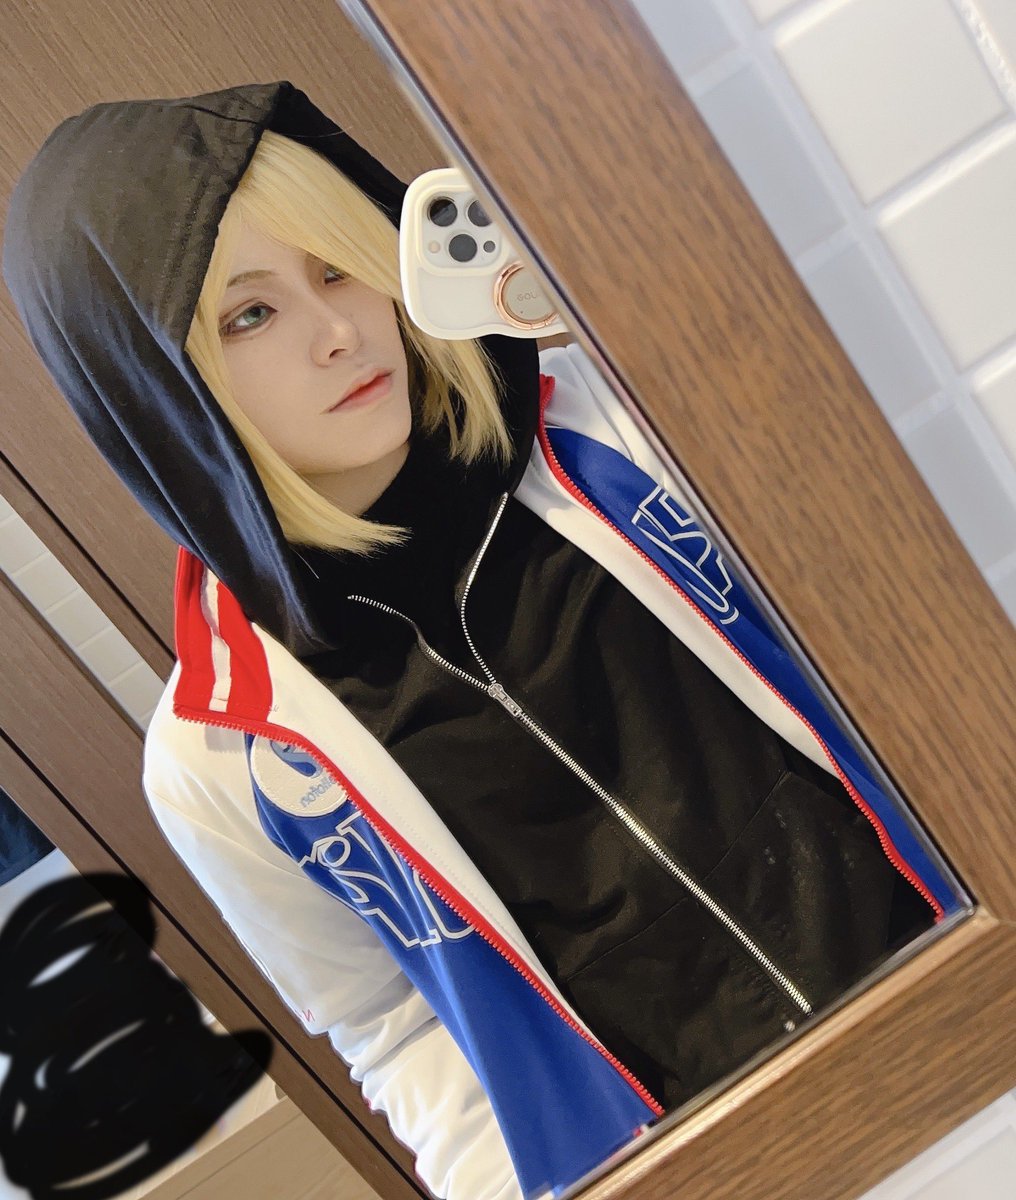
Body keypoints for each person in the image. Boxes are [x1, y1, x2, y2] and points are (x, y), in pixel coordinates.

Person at [2, 82, 956, 1200]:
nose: (340, 333)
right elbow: (396, 1031)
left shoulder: (622, 437)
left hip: (964, 988)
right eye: (248, 316)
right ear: (151, 390)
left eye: (336, 266)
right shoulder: (224, 755)